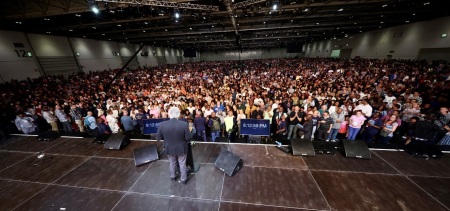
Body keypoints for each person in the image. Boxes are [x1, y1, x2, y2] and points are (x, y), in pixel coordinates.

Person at [157, 107, 194, 185]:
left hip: (169, 148)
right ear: (178, 114)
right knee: (182, 163)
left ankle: (173, 176)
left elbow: (158, 138)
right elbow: (188, 138)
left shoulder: (161, 124)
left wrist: (167, 138)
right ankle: (183, 179)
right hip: (181, 148)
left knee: (172, 163)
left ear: (169, 114)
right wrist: (191, 133)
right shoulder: (184, 124)